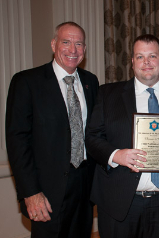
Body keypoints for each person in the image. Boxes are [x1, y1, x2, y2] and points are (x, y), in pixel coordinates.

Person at [86, 34, 159, 238]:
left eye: (152, 56)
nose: (146, 62)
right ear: (132, 62)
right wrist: (115, 155)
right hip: (123, 202)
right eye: (140, 57)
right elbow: (92, 137)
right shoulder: (108, 94)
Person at [5, 21, 99, 238]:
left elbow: (95, 132)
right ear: (53, 44)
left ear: (84, 50)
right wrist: (30, 192)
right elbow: (17, 141)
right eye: (66, 42)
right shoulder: (27, 82)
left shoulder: (90, 82)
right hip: (46, 191)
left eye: (78, 44)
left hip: (84, 188)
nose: (72, 50)